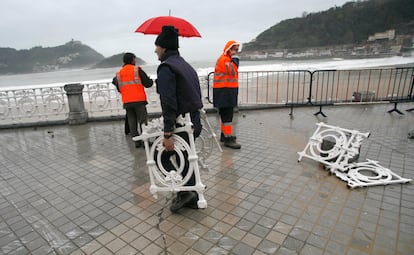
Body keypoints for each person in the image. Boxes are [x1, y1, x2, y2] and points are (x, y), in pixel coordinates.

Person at [154, 25, 203, 213]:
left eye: (157, 46)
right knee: (183, 156)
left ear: (164, 47)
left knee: (160, 155)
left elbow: (169, 103)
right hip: (194, 120)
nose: (155, 50)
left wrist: (168, 133)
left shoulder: (166, 68)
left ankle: (185, 192)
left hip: (182, 124)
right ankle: (190, 193)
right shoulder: (185, 65)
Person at [115, 52, 153, 147]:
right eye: (134, 59)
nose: (135, 61)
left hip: (127, 101)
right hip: (139, 100)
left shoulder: (119, 73)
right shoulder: (137, 69)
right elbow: (148, 83)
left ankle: (137, 142)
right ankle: (146, 142)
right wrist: (151, 81)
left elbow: (119, 88)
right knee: (143, 121)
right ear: (132, 60)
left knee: (132, 122)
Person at [213, 40, 242, 149]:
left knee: (225, 115)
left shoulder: (224, 59)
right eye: (234, 50)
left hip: (225, 91)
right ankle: (228, 139)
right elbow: (233, 71)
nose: (236, 52)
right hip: (225, 91)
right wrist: (235, 59)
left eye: (237, 50)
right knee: (227, 116)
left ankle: (224, 136)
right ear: (228, 49)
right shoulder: (225, 60)